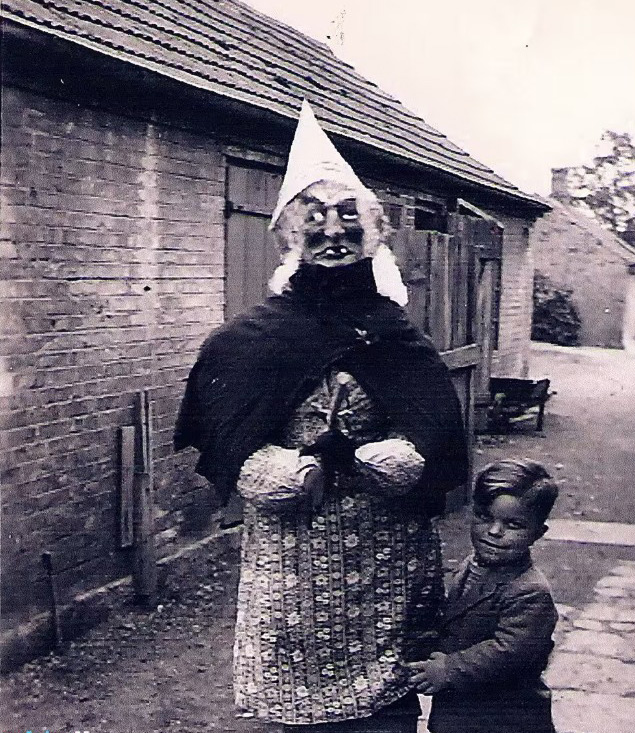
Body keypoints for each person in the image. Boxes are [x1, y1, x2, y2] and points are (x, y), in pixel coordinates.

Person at [174, 100, 468, 732]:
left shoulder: (395, 333)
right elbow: (227, 435)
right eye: (316, 220)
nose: (334, 233)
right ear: (289, 237)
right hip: (295, 545)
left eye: (349, 220)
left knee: (385, 706)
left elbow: (434, 428)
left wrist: (393, 458)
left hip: (385, 547)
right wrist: (283, 470)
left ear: (375, 234)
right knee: (301, 701)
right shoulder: (249, 339)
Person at [409, 459, 559, 733]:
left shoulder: (530, 592)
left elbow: (509, 652)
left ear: (538, 533)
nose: (494, 531)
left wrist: (448, 669)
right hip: (461, 715)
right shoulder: (472, 564)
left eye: (513, 524)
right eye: (484, 517)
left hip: (506, 719)